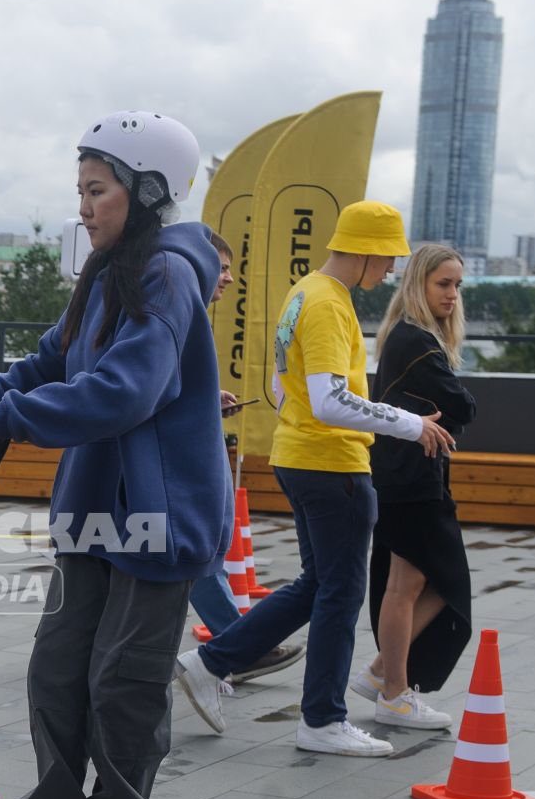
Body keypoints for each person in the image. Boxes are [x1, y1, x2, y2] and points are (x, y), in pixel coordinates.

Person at [0, 111, 229, 799]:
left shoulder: (167, 274)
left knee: (124, 676)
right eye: (80, 189)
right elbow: (49, 362)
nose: (83, 205)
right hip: (95, 511)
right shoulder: (106, 273)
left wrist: (7, 419)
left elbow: (124, 390)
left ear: (144, 192)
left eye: (96, 190)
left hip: (158, 513)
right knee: (58, 667)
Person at [175, 202, 455, 756]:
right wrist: (409, 423)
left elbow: (286, 388)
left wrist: (309, 419)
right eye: (388, 259)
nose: (390, 272)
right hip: (333, 465)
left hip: (301, 456)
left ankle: (209, 663)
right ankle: (322, 720)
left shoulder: (305, 291)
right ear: (367, 250)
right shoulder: (330, 304)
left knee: (319, 584)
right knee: (340, 593)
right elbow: (331, 400)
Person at [358, 243, 477, 726]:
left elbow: (451, 407)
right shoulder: (417, 342)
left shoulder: (410, 338)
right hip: (409, 478)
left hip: (408, 474)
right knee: (413, 584)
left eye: (457, 286)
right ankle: (391, 690)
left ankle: (383, 677)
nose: (452, 295)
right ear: (418, 285)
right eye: (442, 284)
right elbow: (464, 407)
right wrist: (452, 409)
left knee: (416, 581)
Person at [190, 229, 304, 685]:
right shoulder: (177, 316)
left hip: (182, 468)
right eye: (221, 267)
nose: (231, 279)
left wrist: (207, 398)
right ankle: (237, 646)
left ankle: (238, 643)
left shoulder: (189, 316)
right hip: (171, 472)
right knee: (194, 556)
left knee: (198, 557)